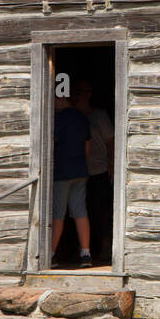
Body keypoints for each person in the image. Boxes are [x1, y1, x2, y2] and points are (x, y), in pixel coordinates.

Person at [51, 81, 92, 268]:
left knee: (58, 214)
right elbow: (87, 146)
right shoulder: (82, 117)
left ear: (61, 97)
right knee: (80, 212)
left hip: (62, 172)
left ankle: (50, 254)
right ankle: (86, 253)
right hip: (80, 170)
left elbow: (52, 142)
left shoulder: (58, 119)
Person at [81, 82, 115, 264]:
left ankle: (104, 247)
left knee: (100, 211)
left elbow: (111, 141)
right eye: (80, 91)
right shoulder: (74, 115)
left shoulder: (99, 116)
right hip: (80, 172)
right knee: (82, 212)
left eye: (87, 91)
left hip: (99, 170)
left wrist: (111, 163)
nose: (83, 95)